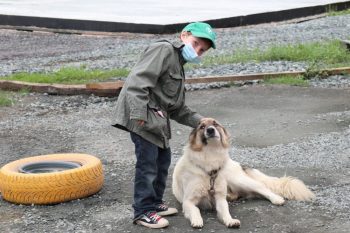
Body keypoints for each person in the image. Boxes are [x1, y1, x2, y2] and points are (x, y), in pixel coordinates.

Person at [113, 22, 216, 229]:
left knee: (162, 161)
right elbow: (138, 82)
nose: (197, 51)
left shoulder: (178, 64)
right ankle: (143, 211)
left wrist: (200, 121)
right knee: (147, 164)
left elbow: (176, 109)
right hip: (143, 116)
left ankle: (154, 203)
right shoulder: (163, 49)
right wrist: (139, 115)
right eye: (195, 43)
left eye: (202, 50)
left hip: (157, 121)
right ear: (184, 35)